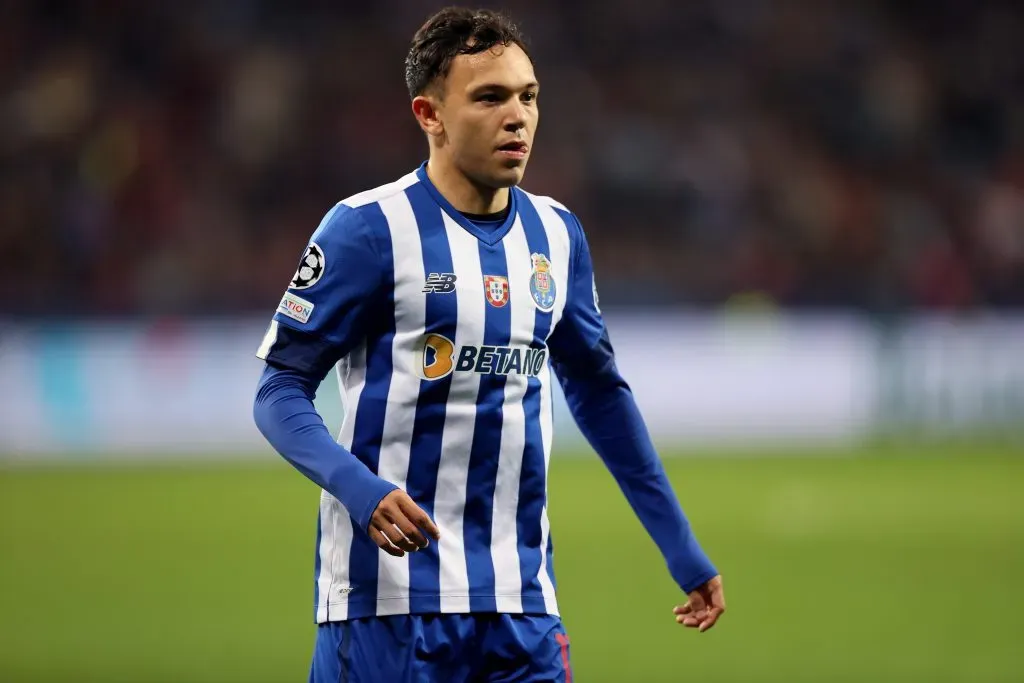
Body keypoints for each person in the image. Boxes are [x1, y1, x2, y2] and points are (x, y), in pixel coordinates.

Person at [253, 7, 725, 682]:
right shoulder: (366, 229)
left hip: (521, 605)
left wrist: (680, 547)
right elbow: (278, 389)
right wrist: (361, 490)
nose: (518, 116)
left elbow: (598, 391)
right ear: (430, 114)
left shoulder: (557, 235)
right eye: (490, 97)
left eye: (528, 96)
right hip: (387, 605)